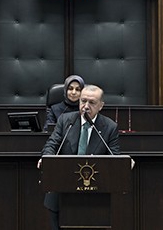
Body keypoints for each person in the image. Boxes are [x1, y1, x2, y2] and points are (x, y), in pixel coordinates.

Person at [39, 85, 121, 230]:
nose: (86, 106)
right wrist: (47, 159)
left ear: (101, 106)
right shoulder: (66, 120)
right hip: (61, 190)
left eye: (92, 102)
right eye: (83, 101)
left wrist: (122, 163)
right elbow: (51, 144)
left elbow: (114, 156)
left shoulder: (110, 127)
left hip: (94, 197)